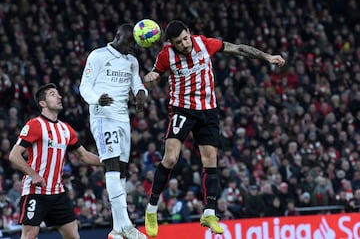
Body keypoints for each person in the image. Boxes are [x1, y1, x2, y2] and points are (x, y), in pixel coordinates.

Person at [144, 20, 285, 237]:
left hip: (208, 110)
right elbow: (151, 80)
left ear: (189, 33)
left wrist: (267, 57)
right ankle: (151, 209)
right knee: (171, 158)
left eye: (185, 38)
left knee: (211, 160)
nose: (184, 44)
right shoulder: (166, 56)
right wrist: (151, 79)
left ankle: (209, 213)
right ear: (171, 44)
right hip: (182, 108)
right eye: (179, 42)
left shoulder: (204, 44)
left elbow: (238, 49)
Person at [79, 23, 148, 239]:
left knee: (123, 170)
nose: (131, 47)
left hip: (122, 118)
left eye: (134, 45)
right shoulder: (98, 56)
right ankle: (126, 223)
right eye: (129, 42)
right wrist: (96, 99)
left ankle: (118, 228)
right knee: (112, 165)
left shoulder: (132, 61)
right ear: (118, 36)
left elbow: (137, 83)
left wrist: (141, 93)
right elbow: (84, 86)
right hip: (103, 116)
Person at [9, 83, 103, 239]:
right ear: (42, 103)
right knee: (29, 236)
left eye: (59, 94)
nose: (59, 97)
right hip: (35, 192)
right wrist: (33, 175)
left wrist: (108, 162)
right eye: (53, 94)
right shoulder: (35, 125)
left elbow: (83, 156)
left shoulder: (66, 129)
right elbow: (14, 155)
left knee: (73, 236)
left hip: (57, 193)